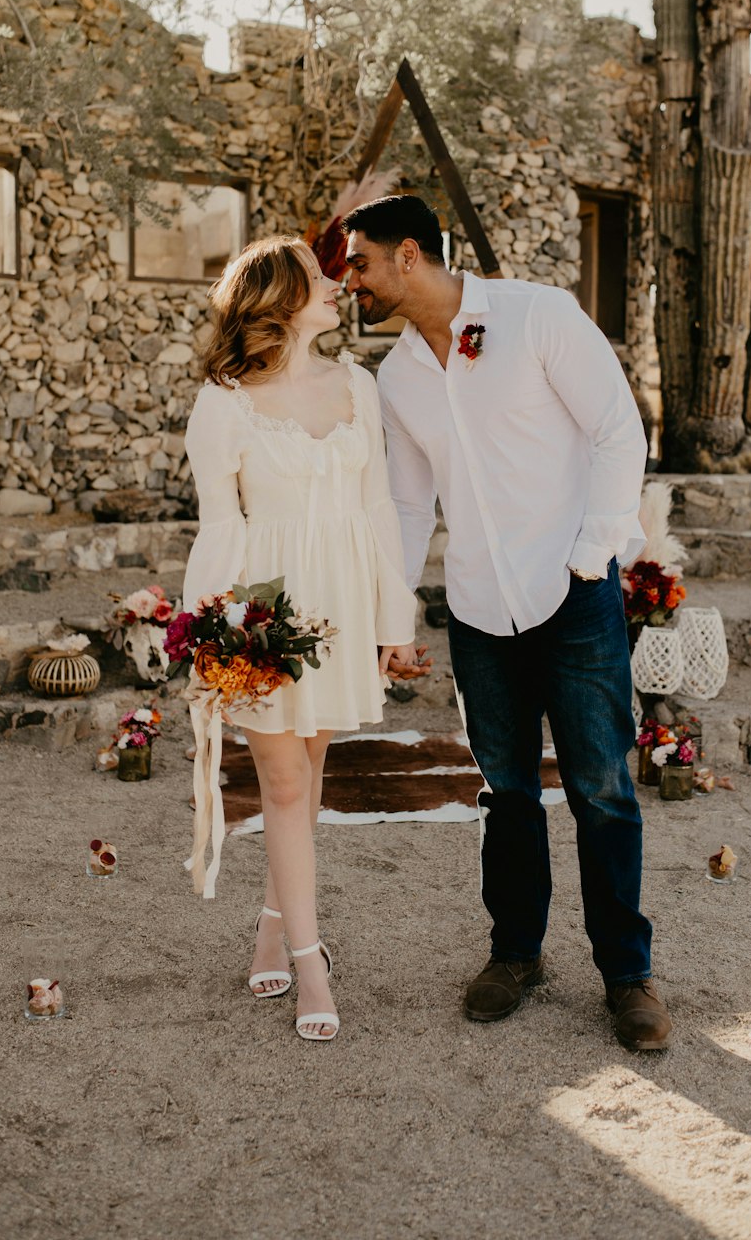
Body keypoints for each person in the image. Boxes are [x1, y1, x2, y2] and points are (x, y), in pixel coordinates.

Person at [342, 195, 673, 1052]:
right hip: (481, 608)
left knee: (603, 787)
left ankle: (626, 975)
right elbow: (411, 505)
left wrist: (593, 551)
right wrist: (394, 611)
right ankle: (516, 954)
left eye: (361, 262)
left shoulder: (537, 316)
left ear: (408, 254)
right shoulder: (398, 378)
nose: (354, 280)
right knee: (506, 791)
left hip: (576, 594)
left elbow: (616, 429)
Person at [182, 236, 426, 1042]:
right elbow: (220, 528)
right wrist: (213, 637)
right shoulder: (224, 401)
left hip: (343, 604)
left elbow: (380, 510)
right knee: (284, 784)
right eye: (319, 278)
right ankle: (311, 960)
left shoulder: (357, 383)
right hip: (267, 612)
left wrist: (396, 622)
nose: (336, 284)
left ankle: (272, 922)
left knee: (311, 769)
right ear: (278, 301)